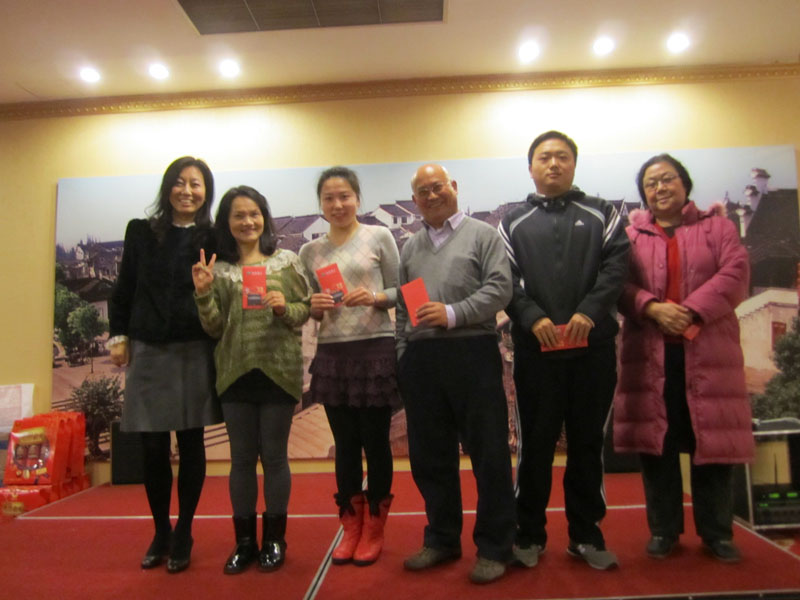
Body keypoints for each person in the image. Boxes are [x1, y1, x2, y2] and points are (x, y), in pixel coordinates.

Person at [498, 131, 630, 570]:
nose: (553, 164)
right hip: (537, 353)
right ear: (530, 167)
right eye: (544, 157)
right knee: (534, 447)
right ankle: (529, 535)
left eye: (562, 157)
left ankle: (586, 535)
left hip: (593, 352)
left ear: (574, 163)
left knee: (587, 445)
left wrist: (590, 312)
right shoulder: (512, 222)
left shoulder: (602, 213)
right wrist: (532, 317)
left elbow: (616, 266)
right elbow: (505, 279)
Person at [614, 154, 754, 562]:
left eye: (667, 179)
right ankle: (664, 530)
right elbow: (617, 284)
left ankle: (717, 532)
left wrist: (688, 311)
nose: (660, 188)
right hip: (650, 357)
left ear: (685, 183)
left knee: (711, 444)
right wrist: (652, 307)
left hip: (709, 355)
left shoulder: (718, 228)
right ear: (643, 193)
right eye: (651, 183)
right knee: (657, 446)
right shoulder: (630, 237)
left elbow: (735, 275)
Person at [396, 164, 516, 585]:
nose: (431, 196)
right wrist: (403, 354)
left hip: (472, 352)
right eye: (422, 191)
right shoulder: (410, 248)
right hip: (422, 361)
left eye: (438, 187)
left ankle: (496, 546)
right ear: (415, 201)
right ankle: (442, 538)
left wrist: (452, 314)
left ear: (454, 187)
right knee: (430, 457)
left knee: (489, 454)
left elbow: (500, 289)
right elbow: (404, 308)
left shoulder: (483, 235)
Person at [108, 156, 223, 573]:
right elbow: (124, 286)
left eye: (196, 184)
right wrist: (119, 335)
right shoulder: (141, 231)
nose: (187, 191)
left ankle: (185, 530)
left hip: (195, 348)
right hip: (149, 348)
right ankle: (161, 530)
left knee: (191, 442)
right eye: (179, 182)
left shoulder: (214, 236)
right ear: (167, 187)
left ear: (206, 192)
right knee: (153, 446)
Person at [192, 185, 311, 574]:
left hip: (278, 371)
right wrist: (203, 293)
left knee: (275, 457)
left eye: (254, 213)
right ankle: (244, 543)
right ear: (226, 222)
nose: (248, 221)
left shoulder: (287, 262)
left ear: (265, 217)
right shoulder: (218, 269)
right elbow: (213, 328)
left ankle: (275, 539)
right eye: (239, 215)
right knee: (241, 459)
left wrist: (285, 307)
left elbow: (305, 310)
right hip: (234, 372)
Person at [299, 166, 400, 567]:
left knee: (375, 442)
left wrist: (375, 297)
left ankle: (375, 526)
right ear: (320, 204)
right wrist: (313, 306)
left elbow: (402, 290)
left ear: (358, 199)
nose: (338, 204)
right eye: (329, 198)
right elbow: (310, 307)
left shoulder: (380, 236)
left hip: (375, 350)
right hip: (333, 355)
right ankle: (350, 526)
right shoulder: (310, 252)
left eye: (345, 196)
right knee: (344, 445)